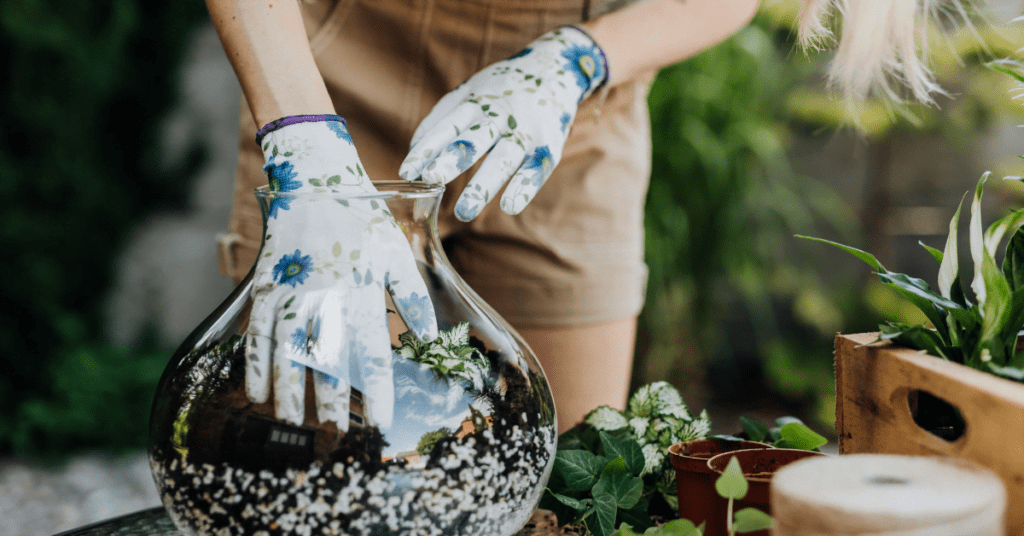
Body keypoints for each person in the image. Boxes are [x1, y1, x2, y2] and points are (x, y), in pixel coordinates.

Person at [206, 0, 761, 432]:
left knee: (571, 473)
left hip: (562, 105)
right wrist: (302, 138)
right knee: (333, 461)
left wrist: (574, 60)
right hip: (335, 82)